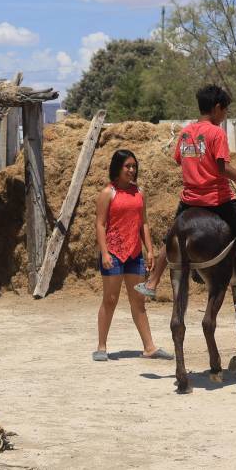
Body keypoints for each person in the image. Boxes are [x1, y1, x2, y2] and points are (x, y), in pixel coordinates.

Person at [136, 85, 236, 313]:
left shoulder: (186, 132)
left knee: (171, 237)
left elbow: (180, 159)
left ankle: (152, 282)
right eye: (225, 111)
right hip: (217, 201)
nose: (225, 115)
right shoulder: (217, 133)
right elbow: (223, 169)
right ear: (217, 108)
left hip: (189, 199)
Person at [93, 149, 172, 362]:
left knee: (138, 300)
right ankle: (101, 346)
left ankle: (149, 347)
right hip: (114, 253)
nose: (131, 170)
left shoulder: (140, 192)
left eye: (134, 166)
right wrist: (105, 253)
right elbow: (100, 225)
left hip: (135, 253)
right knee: (110, 299)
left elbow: (143, 223)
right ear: (117, 168)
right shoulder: (107, 193)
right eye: (127, 166)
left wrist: (150, 250)